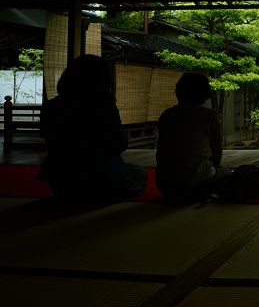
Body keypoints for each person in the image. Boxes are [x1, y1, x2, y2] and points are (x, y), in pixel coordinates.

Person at [37, 54, 147, 204]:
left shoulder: (52, 106)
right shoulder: (104, 106)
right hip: (99, 180)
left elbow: (49, 140)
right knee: (140, 173)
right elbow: (119, 144)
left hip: (61, 181)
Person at [156, 72, 231, 202]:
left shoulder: (167, 115)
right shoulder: (209, 116)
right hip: (198, 183)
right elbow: (217, 153)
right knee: (227, 172)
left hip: (165, 184)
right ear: (204, 94)